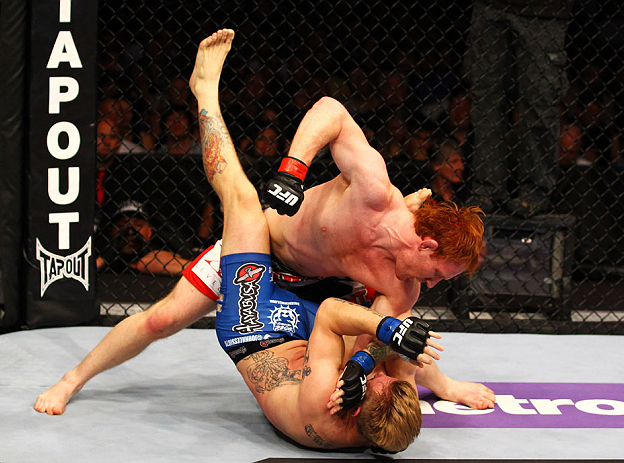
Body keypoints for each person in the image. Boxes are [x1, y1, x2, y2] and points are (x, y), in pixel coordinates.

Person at [36, 30, 494, 451]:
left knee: (390, 327)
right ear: (427, 247)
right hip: (265, 249)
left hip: (319, 287)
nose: (433, 286)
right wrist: (294, 169)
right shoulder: (375, 194)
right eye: (438, 274)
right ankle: (72, 378)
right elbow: (331, 110)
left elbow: (387, 343)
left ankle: (445, 382)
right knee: (163, 318)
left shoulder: (403, 282)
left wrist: (360, 368)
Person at [465, 0, 574, 217]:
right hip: (491, 7)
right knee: (485, 99)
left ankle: (535, 192)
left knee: (539, 101)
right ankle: (486, 189)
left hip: (543, 10)